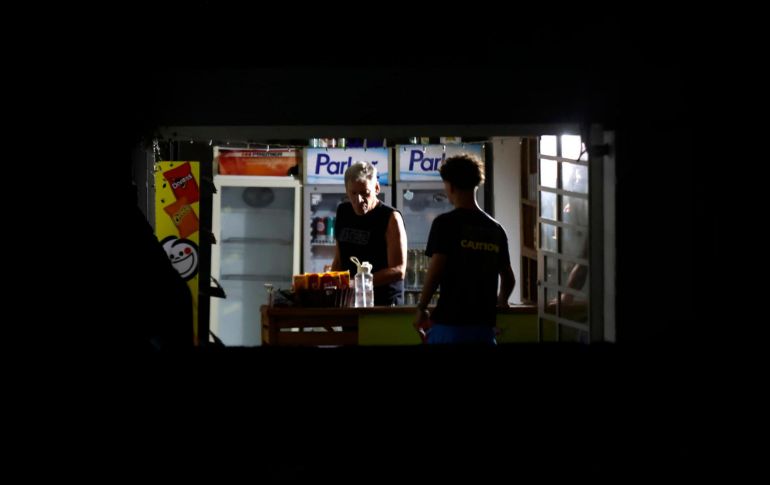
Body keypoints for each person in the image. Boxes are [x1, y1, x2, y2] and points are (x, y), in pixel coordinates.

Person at [413, 154, 515, 344]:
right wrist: (501, 302)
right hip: (484, 332)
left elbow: (435, 272)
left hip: (450, 326)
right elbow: (508, 279)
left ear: (450, 186)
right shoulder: (495, 228)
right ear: (476, 184)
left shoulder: (445, 224)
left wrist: (421, 307)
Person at [331, 161, 407, 306]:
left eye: (364, 193)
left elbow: (398, 270)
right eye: (353, 193)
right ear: (346, 191)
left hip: (384, 304)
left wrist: (356, 283)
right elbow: (339, 260)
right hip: (351, 301)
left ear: (377, 188)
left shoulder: (390, 217)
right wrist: (329, 285)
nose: (358, 200)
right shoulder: (343, 211)